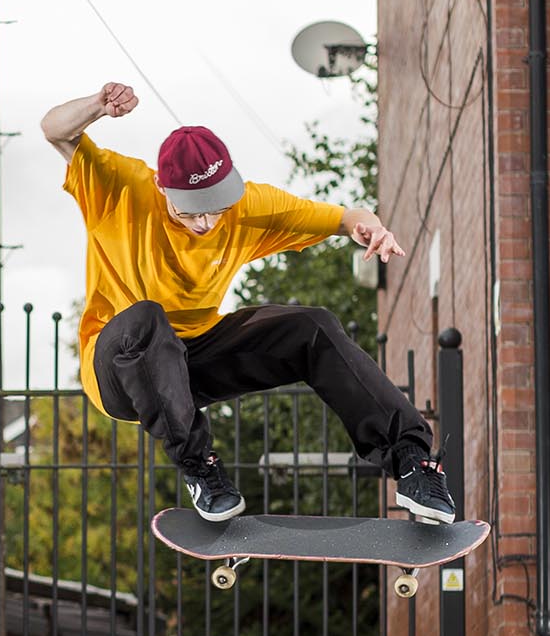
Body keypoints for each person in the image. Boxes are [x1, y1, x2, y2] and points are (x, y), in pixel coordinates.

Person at [42, 80, 456, 524]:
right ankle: (201, 469)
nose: (205, 222)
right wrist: (96, 106)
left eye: (214, 208)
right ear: (162, 189)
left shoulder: (249, 207)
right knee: (148, 318)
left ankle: (413, 463)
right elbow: (54, 130)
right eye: (190, 211)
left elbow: (344, 217)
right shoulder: (120, 188)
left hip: (193, 360)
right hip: (121, 367)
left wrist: (371, 227)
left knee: (312, 327)